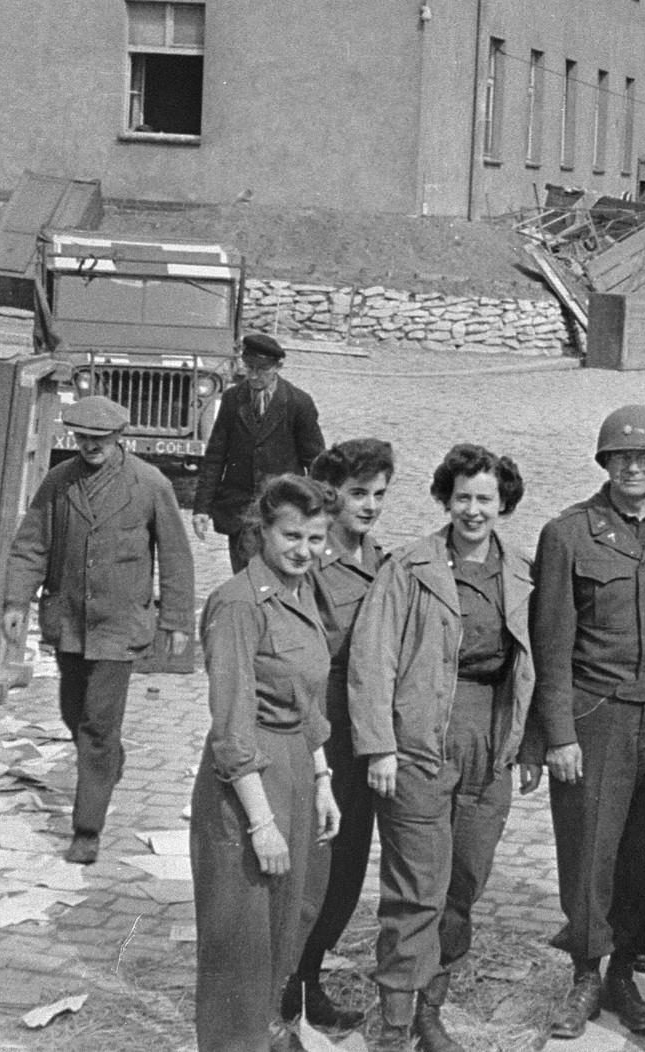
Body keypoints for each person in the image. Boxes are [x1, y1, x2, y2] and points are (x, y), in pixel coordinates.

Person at [350, 444, 535, 1052]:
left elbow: (540, 664)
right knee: (415, 887)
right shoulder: (409, 568)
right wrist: (379, 746)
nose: (473, 511)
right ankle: (397, 1025)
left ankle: (433, 1006)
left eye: (485, 498)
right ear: (445, 500)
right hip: (421, 740)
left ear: (502, 502)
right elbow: (372, 658)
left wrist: (527, 743)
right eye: (463, 498)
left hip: (491, 740)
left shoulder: (522, 574)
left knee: (463, 883)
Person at [526, 405, 645, 1040]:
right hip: (596, 715)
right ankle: (585, 971)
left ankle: (626, 969)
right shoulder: (569, 534)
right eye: (623, 458)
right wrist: (559, 734)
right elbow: (550, 643)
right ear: (604, 463)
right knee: (589, 850)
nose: (635, 467)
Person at [2, 396, 194, 864]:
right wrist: (15, 601)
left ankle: (87, 830)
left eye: (100, 440)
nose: (90, 447)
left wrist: (176, 621)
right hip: (69, 619)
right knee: (74, 712)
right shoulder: (59, 482)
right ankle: (109, 761)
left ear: (118, 438)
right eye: (83, 438)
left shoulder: (149, 484)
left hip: (119, 623)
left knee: (97, 723)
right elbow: (32, 546)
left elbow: (174, 554)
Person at [191, 475, 341, 1052]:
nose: (304, 550)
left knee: (289, 922)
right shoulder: (236, 604)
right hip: (246, 783)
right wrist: (260, 822)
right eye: (292, 536)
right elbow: (231, 725)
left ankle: (267, 1035)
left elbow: (308, 704)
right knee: (240, 945)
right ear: (261, 532)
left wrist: (323, 781)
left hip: (297, 770)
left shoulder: (301, 592)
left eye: (316, 537)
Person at [281, 439, 395, 1031]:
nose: (371, 505)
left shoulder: (382, 558)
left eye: (379, 494)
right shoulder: (313, 561)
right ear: (333, 495)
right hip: (321, 726)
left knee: (348, 865)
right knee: (314, 862)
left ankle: (309, 972)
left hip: (364, 729)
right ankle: (288, 986)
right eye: (358, 494)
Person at [195, 332, 327, 573]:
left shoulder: (298, 403)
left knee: (278, 576)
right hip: (240, 513)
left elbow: (316, 461)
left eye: (262, 369)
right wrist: (202, 508)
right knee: (245, 576)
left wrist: (319, 508)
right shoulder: (234, 399)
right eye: (249, 367)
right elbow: (216, 455)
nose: (253, 375)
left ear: (278, 366)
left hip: (283, 512)